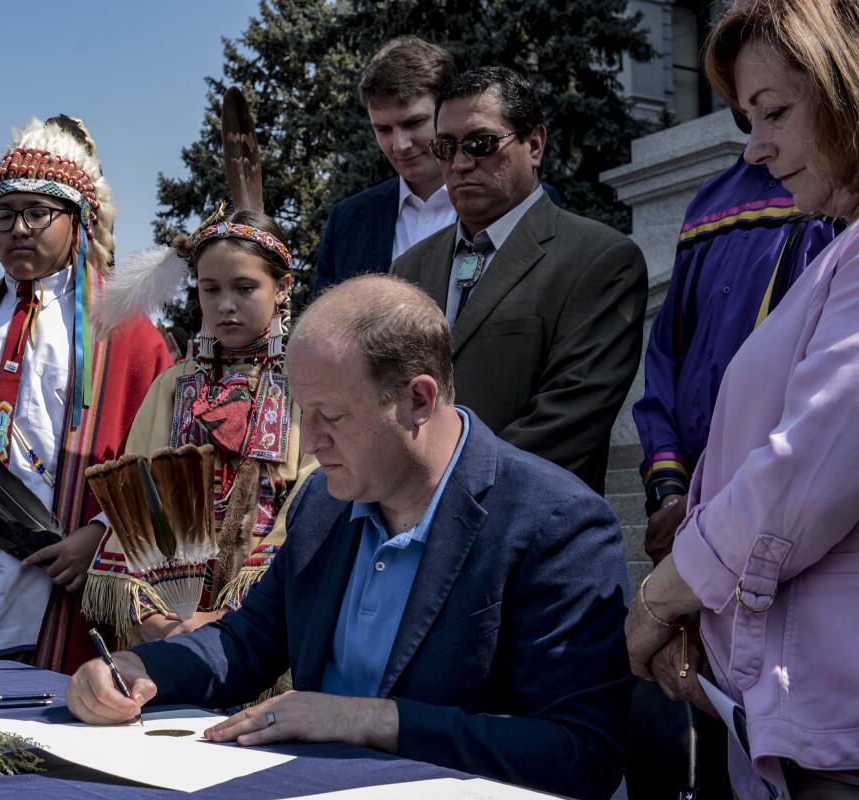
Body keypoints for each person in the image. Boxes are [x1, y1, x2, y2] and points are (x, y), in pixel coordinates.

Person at [67, 275, 633, 800]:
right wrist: (144, 670)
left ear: (418, 399)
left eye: (330, 417)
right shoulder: (323, 503)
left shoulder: (556, 523)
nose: (309, 444)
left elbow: (581, 755)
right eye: (302, 414)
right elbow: (247, 642)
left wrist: (369, 720)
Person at [625, 2, 859, 795]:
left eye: (776, 113)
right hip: (785, 711)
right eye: (745, 119)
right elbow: (675, 360)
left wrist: (664, 596)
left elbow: (802, 474)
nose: (757, 147)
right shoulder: (822, 237)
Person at [0, 116, 171, 673]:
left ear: (78, 221)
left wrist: (100, 534)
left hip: (61, 571)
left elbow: (161, 457)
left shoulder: (126, 331)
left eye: (38, 213)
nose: (18, 228)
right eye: (3, 213)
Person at [392, 67, 646, 494]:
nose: (460, 162)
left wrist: (442, 493)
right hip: (408, 527)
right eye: (445, 146)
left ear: (534, 144)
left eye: (481, 143)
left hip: (527, 532)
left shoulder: (599, 259)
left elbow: (568, 419)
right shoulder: (409, 268)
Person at [85, 209, 317, 648]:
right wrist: (156, 617)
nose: (225, 304)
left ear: (282, 287)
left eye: (245, 288)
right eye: (210, 289)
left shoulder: (307, 384)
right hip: (168, 622)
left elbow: (315, 499)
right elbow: (136, 498)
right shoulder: (173, 385)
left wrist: (236, 612)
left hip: (273, 620)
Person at [634, 154, 839, 562]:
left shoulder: (835, 195)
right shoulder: (709, 201)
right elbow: (666, 357)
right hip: (695, 494)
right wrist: (669, 490)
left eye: (774, 109)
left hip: (788, 496)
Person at [313, 36, 458, 295]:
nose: (400, 145)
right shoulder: (347, 221)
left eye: (413, 123)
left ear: (449, 112)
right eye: (383, 129)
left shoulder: (511, 203)